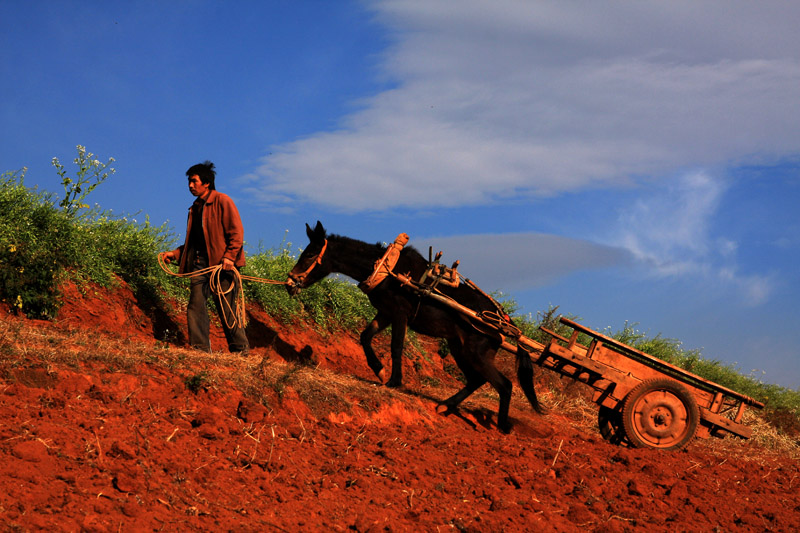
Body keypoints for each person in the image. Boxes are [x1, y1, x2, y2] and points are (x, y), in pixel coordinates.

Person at [162, 161, 250, 355]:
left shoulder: (222, 201)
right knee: (195, 305)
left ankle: (240, 351)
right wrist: (175, 254)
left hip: (222, 266)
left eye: (194, 181)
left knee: (227, 309)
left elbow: (236, 232)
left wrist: (229, 257)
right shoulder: (195, 208)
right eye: (189, 182)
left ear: (206, 183)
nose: (190, 185)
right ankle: (200, 350)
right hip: (200, 266)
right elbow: (194, 242)